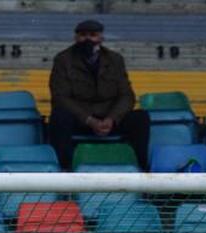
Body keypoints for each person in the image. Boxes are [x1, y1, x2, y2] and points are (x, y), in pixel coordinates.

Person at [48, 19, 151, 170]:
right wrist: (89, 120)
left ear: (101, 38)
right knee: (59, 117)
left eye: (93, 35)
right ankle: (66, 168)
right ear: (76, 38)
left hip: (109, 119)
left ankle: (140, 167)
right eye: (83, 35)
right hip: (80, 120)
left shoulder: (115, 60)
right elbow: (60, 97)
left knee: (140, 117)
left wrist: (112, 119)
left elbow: (126, 95)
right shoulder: (63, 60)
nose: (88, 39)